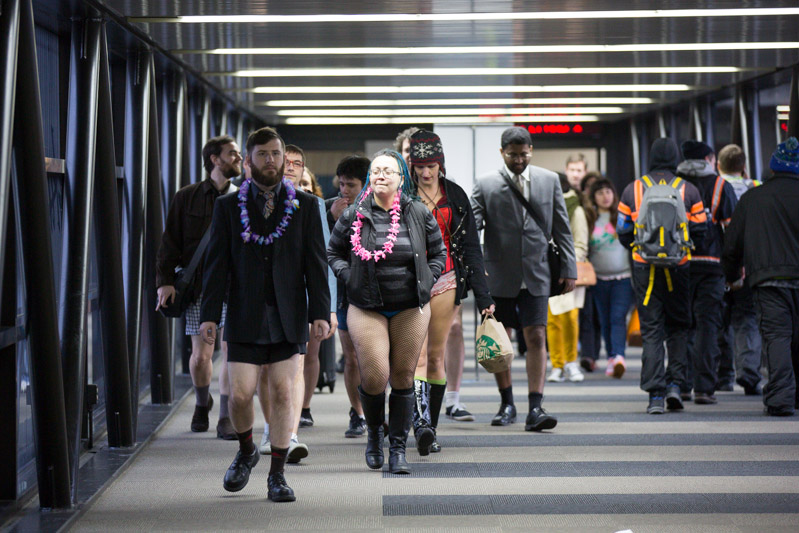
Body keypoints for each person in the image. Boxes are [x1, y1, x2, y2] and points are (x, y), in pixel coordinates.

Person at [200, 126, 331, 502]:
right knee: (240, 395)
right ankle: (246, 450)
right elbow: (216, 264)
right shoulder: (228, 207)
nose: (271, 160)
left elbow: (316, 264)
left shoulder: (305, 206)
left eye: (276, 153)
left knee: (283, 393)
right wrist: (210, 315)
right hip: (245, 313)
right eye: (263, 154)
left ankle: (277, 475)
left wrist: (320, 311)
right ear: (248, 160)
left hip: (288, 313)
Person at [328, 149, 446, 474]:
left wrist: (428, 278)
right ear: (370, 177)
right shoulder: (354, 213)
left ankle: (397, 449)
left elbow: (439, 252)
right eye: (376, 170)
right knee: (375, 375)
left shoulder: (417, 212)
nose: (381, 175)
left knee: (404, 375)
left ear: (401, 178)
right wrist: (348, 276)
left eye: (388, 171)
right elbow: (333, 251)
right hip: (367, 306)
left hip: (410, 306)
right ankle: (374, 434)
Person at [471, 126, 577, 432]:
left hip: (537, 272)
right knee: (499, 339)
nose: (518, 160)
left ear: (531, 150)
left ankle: (535, 407)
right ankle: (507, 404)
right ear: (502, 153)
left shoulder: (549, 180)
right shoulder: (486, 184)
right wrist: (475, 270)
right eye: (512, 155)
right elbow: (473, 229)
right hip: (498, 274)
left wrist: (569, 268)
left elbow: (562, 227)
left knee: (537, 336)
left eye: (523, 154)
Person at [407, 130, 495, 455]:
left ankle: (430, 428)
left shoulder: (455, 194)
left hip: (447, 279)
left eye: (431, 166)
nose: (426, 172)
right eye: (420, 166)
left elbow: (471, 247)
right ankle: (419, 424)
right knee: (415, 356)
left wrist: (484, 298)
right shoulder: (403, 193)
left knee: (435, 355)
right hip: (408, 281)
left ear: (440, 163)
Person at [156, 135, 241, 439]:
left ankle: (226, 415)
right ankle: (202, 403)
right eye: (232, 154)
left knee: (231, 352)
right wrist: (165, 282)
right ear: (215, 159)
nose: (238, 158)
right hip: (199, 288)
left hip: (234, 287)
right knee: (201, 356)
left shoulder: (244, 197)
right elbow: (170, 241)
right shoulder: (186, 197)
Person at [617, 138, 707, 414]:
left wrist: (642, 249)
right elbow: (701, 230)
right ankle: (675, 385)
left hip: (645, 268)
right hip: (679, 268)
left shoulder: (633, 189)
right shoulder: (688, 189)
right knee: (678, 327)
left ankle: (655, 395)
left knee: (652, 329)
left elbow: (622, 230)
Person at [722, 137, 799, 417]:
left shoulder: (752, 198)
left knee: (777, 337)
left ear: (774, 166)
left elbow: (732, 244)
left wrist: (732, 276)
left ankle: (781, 398)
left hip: (768, 280)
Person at [677, 140, 738, 405]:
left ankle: (681, 385)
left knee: (683, 325)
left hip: (679, 263)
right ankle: (704, 388)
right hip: (712, 265)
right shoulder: (720, 185)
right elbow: (732, 231)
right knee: (708, 326)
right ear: (709, 159)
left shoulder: (675, 184)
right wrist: (735, 269)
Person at [326, 155, 372, 438]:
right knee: (352, 357)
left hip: (377, 292)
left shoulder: (382, 207)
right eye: (341, 184)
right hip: (346, 292)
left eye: (350, 185)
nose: (344, 191)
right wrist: (335, 220)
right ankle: (358, 413)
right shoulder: (331, 208)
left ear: (365, 184)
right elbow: (328, 250)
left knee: (377, 357)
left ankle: (377, 410)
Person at [716, 144, 763, 395]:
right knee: (748, 319)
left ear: (718, 165)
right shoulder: (757, 187)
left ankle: (723, 375)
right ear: (743, 166)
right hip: (751, 263)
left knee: (720, 320)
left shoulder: (715, 187)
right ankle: (749, 374)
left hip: (720, 264)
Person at [587, 178, 633, 377]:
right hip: (598, 279)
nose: (605, 196)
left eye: (608, 191)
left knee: (617, 317)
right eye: (600, 193)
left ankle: (618, 356)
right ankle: (611, 357)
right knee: (605, 320)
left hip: (623, 277)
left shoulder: (622, 217)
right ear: (593, 197)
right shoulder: (590, 219)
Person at [546, 174, 588, 384]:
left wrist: (568, 265)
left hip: (569, 270)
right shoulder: (544, 205)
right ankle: (557, 364)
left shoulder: (575, 209)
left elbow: (580, 243)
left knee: (570, 318)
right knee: (552, 320)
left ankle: (571, 362)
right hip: (548, 269)